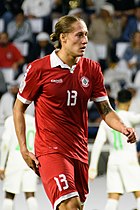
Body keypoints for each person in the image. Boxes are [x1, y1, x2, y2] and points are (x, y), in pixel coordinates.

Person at [13, 15, 136, 210]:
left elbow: (105, 109)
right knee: (70, 205)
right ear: (63, 37)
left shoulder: (92, 69)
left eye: (86, 35)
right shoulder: (39, 69)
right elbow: (18, 108)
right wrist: (23, 148)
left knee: (77, 207)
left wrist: (122, 127)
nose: (85, 40)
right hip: (51, 150)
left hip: (79, 151)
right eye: (79, 35)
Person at [89, 89, 140, 210]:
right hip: (129, 161)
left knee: (113, 197)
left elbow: (97, 144)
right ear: (130, 102)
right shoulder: (130, 117)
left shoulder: (106, 121)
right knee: (139, 193)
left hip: (113, 161)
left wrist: (93, 167)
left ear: (116, 102)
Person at [0, 113, 38, 210]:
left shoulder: (10, 120)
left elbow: (5, 143)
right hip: (30, 162)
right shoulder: (33, 120)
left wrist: (1, 166)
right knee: (30, 196)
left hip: (14, 161)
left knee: (9, 196)